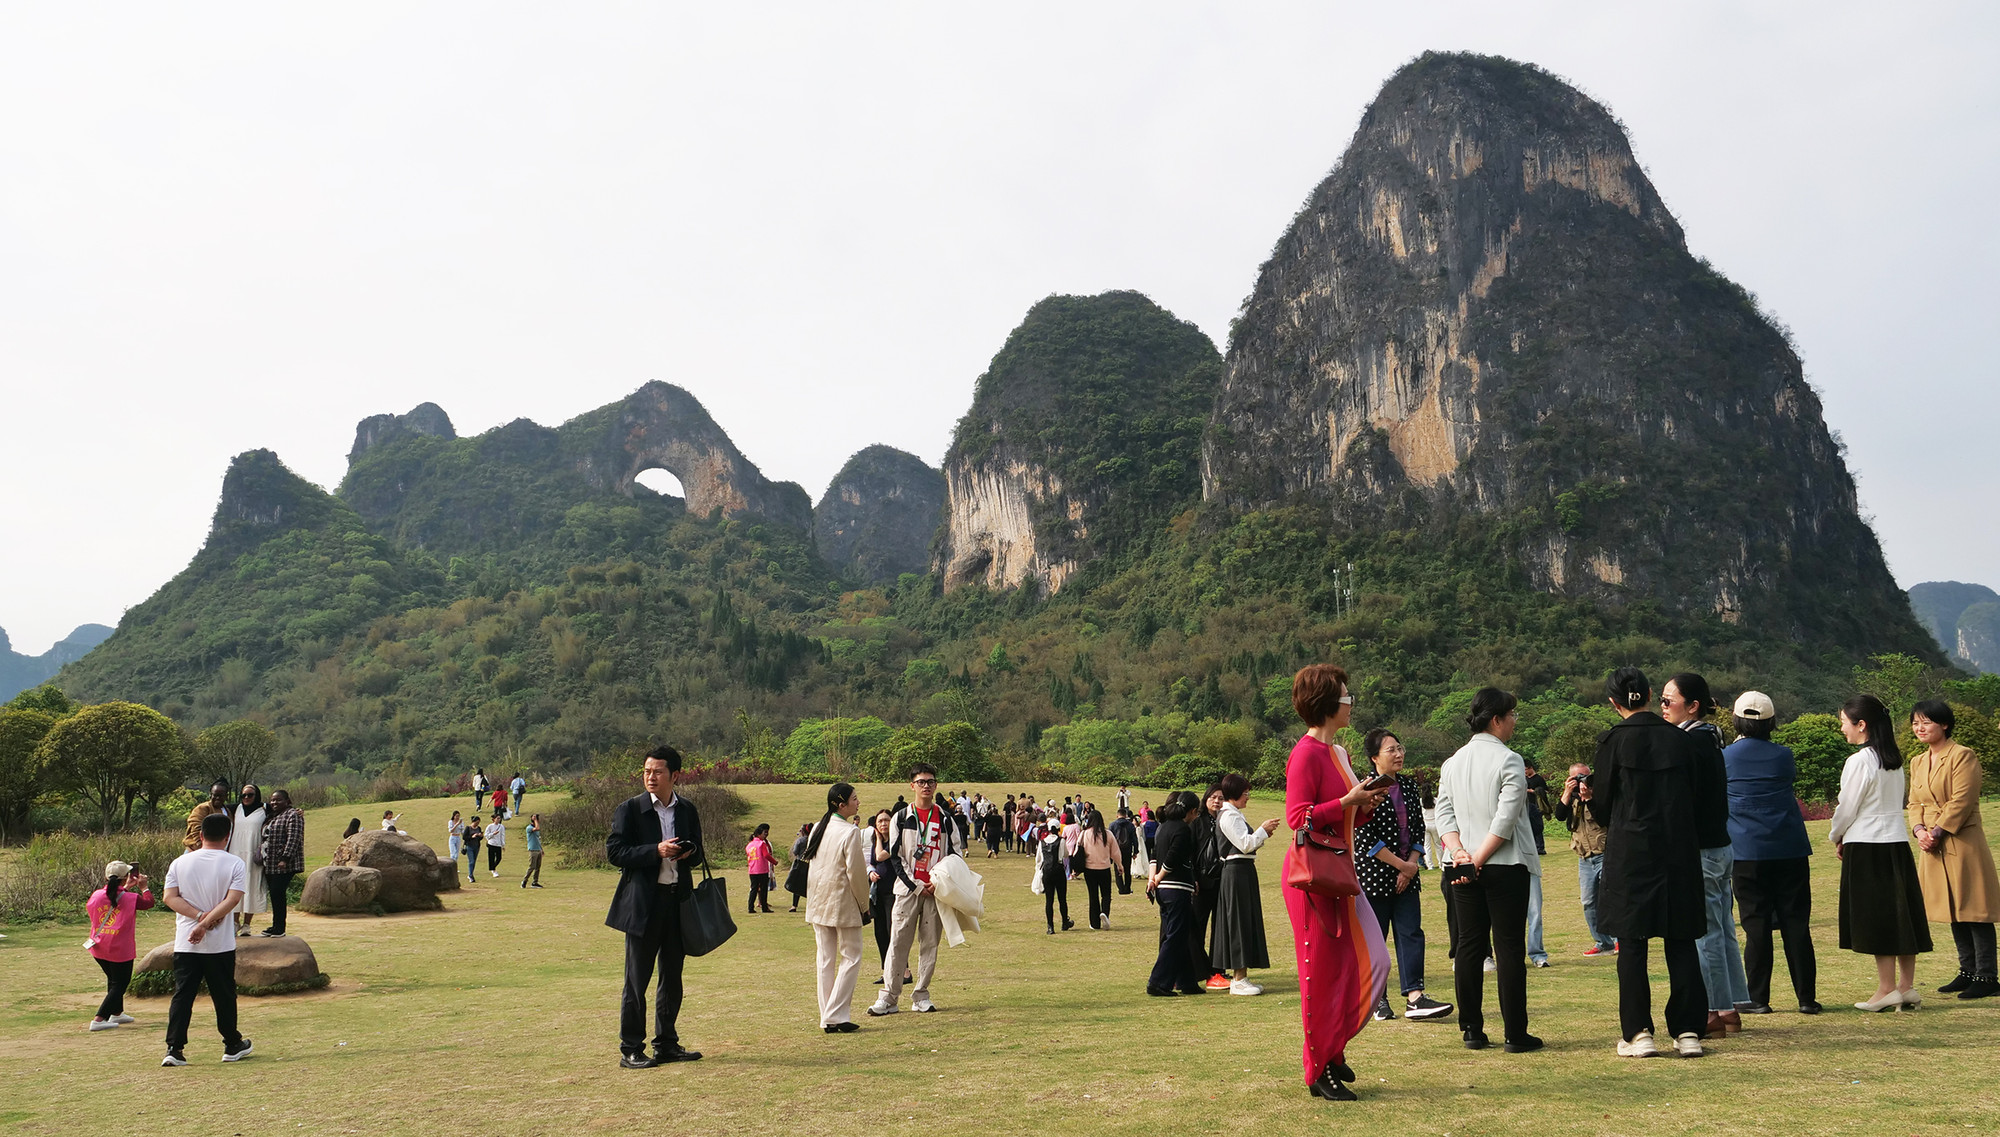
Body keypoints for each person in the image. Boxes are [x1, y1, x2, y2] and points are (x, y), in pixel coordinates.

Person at [1283, 666, 1391, 1101]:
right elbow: (1297, 818)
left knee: (1373, 964)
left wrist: (1363, 803)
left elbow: (1344, 814)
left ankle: (1333, 1048)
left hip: (1341, 876)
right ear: (1328, 703)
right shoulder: (1305, 754)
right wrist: (1346, 800)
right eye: (1347, 696)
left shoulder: (1341, 754)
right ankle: (1319, 1067)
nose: (1351, 702)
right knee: (1321, 976)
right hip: (1314, 881)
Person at [1588, 667, 1707, 1058]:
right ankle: (1688, 1031)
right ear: (1652, 694)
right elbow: (1698, 800)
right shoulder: (1682, 740)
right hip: (1678, 850)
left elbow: (1603, 810)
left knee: (1632, 943)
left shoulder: (1611, 742)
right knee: (1681, 941)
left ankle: (1639, 1033)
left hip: (1631, 853)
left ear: (1613, 702)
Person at [1435, 688, 1542, 1055]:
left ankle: (1472, 1029)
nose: (1514, 722)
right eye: (1512, 715)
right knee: (1509, 946)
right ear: (1497, 719)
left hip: (1462, 864)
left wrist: (1460, 853)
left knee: (1469, 945)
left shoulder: (1452, 762)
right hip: (1504, 864)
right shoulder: (1509, 760)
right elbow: (1506, 818)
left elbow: (1444, 815)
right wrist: (1478, 858)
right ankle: (1515, 1032)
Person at [1829, 694, 1933, 1009]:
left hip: (1866, 845)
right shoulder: (1893, 759)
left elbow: (1847, 807)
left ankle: (1887, 989)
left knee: (1878, 916)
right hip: (1896, 843)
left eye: (1845, 723)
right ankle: (1906, 986)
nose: (1843, 730)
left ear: (1862, 725)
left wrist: (1837, 835)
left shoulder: (1859, 761)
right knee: (1902, 913)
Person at [605, 744, 705, 1068]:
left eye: (657, 771)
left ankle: (667, 1044)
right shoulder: (630, 809)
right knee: (637, 981)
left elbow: (701, 852)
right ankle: (631, 1048)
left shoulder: (686, 810)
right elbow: (615, 852)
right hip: (643, 906)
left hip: (678, 901)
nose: (650, 776)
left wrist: (689, 852)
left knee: (672, 977)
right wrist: (655, 851)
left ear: (675, 775)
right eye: (647, 771)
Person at [1662, 672, 1749, 1036]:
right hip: (1720, 845)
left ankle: (1715, 1008)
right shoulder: (1711, 739)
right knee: (1723, 928)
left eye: (1669, 701)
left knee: (1706, 932)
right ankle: (1731, 1005)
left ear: (1692, 705)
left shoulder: (1689, 744)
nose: (1662, 707)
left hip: (1701, 849)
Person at [1723, 691, 1818, 1013]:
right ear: (1772, 722)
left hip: (1747, 850)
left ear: (1736, 720)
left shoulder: (1725, 757)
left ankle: (1759, 998)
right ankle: (1806, 999)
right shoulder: (1783, 756)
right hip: (1789, 847)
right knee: (1796, 923)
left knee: (1756, 925)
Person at [1355, 729, 1452, 1022]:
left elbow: (1417, 829)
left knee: (1411, 933)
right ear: (1374, 758)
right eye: (1391, 750)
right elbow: (1364, 836)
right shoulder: (1365, 788)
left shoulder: (1409, 786)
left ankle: (1415, 997)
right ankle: (1377, 999)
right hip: (1375, 873)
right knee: (1376, 938)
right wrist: (1401, 865)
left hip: (1408, 873)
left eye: (1400, 748)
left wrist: (1411, 865)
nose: (1399, 754)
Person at [1908, 699, 2000, 999]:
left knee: (1975, 908)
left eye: (1926, 722)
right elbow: (1914, 803)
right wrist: (1919, 830)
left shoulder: (1963, 756)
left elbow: (1962, 799)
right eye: (1915, 723)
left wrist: (1936, 831)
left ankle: (1987, 976)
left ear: (1944, 724)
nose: (1920, 728)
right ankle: (1967, 971)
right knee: (1952, 908)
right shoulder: (1918, 761)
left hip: (1962, 840)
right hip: (1932, 845)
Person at [867, 764, 964, 1017]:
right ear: (912, 785)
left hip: (936, 891)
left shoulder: (945, 818)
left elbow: (955, 854)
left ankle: (921, 994)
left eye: (931, 782)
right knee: (897, 943)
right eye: (921, 782)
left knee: (929, 944)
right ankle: (889, 997)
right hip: (908, 890)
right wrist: (917, 885)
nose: (926, 786)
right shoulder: (901, 817)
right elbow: (896, 857)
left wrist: (937, 883)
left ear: (936, 785)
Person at [160, 811, 251, 1066]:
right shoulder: (234, 863)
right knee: (223, 995)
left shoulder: (180, 862)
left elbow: (170, 898)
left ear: (200, 835)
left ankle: (174, 1048)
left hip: (186, 942)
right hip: (219, 944)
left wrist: (199, 918)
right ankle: (232, 1044)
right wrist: (207, 921)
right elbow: (233, 900)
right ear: (228, 836)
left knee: (183, 995)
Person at [803, 783, 871, 1032]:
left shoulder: (818, 829)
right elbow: (856, 873)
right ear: (841, 805)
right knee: (851, 956)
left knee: (825, 959)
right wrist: (865, 905)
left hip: (819, 902)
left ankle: (828, 1016)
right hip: (842, 902)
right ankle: (834, 1015)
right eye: (854, 799)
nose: (858, 802)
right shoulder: (850, 832)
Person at [1209, 774, 1277, 994]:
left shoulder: (1234, 814)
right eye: (1245, 793)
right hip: (1236, 871)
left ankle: (1242, 976)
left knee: (1245, 921)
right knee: (1238, 922)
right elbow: (1245, 844)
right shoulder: (1229, 816)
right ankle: (1238, 979)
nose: (1248, 797)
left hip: (1243, 871)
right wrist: (1262, 831)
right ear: (1235, 794)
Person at [1552, 762, 1617, 957]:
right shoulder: (1570, 798)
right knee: (1589, 902)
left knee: (1610, 899)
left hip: (1605, 853)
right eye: (1578, 777)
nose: (1584, 781)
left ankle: (1618, 940)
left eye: (1587, 776)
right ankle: (1602, 942)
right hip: (1584, 858)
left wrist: (1589, 798)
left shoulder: (1601, 795)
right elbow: (1559, 816)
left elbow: (1604, 819)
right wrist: (1567, 792)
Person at [1145, 793, 1205, 996]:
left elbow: (1154, 856)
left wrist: (1153, 880)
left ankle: (1186, 981)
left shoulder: (1163, 826)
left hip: (1165, 890)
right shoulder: (1182, 829)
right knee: (1176, 937)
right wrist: (1160, 877)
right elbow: (1172, 857)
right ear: (1192, 811)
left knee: (1179, 935)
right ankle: (1158, 982)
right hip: (1175, 888)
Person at [85, 860, 153, 1031]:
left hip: (99, 945)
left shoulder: (97, 895)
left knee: (113, 979)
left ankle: (117, 1012)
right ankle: (99, 1019)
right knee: (120, 983)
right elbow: (148, 902)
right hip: (120, 948)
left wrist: (126, 888)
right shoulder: (131, 898)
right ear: (125, 878)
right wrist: (144, 887)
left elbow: (114, 899)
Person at [1194, 786, 1230, 991]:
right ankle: (1201, 967)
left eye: (1221, 798)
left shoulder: (1226, 820)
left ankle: (1218, 968)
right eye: (1213, 797)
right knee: (1198, 925)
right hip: (1202, 880)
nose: (1216, 801)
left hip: (1222, 879)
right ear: (1206, 798)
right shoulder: (1197, 822)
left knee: (1220, 925)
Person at [225, 784, 269, 936]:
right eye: (244, 795)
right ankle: (235, 922)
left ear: (256, 795)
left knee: (252, 886)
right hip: (235, 853)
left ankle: (247, 925)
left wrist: (298, 812)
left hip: (253, 855)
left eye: (250, 795)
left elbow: (284, 810)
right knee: (236, 886)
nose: (246, 798)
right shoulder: (234, 809)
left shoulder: (265, 809)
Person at [259, 789, 304, 936]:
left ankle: (280, 928)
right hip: (270, 863)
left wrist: (285, 858)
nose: (274, 802)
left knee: (278, 893)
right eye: (272, 800)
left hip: (284, 864)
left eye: (278, 800)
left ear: (287, 801)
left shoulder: (293, 815)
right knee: (275, 895)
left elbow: (294, 838)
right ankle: (275, 925)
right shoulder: (273, 816)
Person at [1037, 813, 1073, 934]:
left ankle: (1050, 927)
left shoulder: (1042, 842)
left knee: (1049, 900)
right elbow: (1065, 854)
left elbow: (1039, 859)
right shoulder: (1061, 841)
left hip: (1047, 871)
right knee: (1062, 899)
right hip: (1058, 870)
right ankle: (1064, 922)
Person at [183, 781, 231, 851]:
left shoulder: (227, 811)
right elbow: (196, 827)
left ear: (226, 796)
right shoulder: (203, 808)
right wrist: (202, 848)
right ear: (210, 795)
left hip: (218, 851)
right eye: (215, 795)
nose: (217, 798)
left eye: (220, 795)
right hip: (196, 851)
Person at [745, 824, 776, 914]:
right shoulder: (761, 844)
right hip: (762, 869)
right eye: (764, 833)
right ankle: (764, 907)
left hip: (752, 869)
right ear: (759, 834)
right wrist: (774, 862)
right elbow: (766, 855)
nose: (765, 835)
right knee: (763, 889)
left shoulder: (749, 845)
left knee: (753, 888)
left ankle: (750, 907)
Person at [1109, 808, 1139, 895]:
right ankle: (1127, 888)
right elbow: (1134, 839)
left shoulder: (1112, 825)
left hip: (1116, 850)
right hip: (1127, 849)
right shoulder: (1130, 825)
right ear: (1125, 815)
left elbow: (1110, 840)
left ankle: (1121, 889)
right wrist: (1135, 851)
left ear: (1117, 815)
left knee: (1117, 869)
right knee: (1127, 869)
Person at [785, 823, 812, 913]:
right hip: (811, 864)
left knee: (797, 885)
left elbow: (795, 851)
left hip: (800, 864)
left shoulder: (800, 840)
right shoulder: (812, 840)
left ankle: (794, 905)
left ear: (803, 831)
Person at [1523, 762, 1549, 857]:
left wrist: (1532, 791)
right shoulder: (1524, 779)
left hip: (1537, 805)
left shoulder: (1539, 779)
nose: (1524, 772)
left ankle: (1540, 848)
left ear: (1530, 768)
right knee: (1528, 827)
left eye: (1525, 769)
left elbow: (1545, 791)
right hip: (1527, 805)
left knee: (1537, 826)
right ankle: (1531, 847)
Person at [521, 814, 545, 888]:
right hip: (533, 850)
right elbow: (537, 828)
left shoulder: (535, 828)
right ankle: (524, 881)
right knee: (532, 866)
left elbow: (538, 839)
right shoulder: (529, 828)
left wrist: (541, 849)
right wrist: (535, 820)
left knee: (538, 867)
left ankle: (535, 882)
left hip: (538, 849)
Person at [484, 814, 506, 878]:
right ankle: (493, 870)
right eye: (497, 818)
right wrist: (493, 834)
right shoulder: (490, 826)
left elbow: (502, 836)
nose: (499, 819)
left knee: (499, 858)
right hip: (491, 844)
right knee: (491, 858)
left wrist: (503, 845)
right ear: (494, 819)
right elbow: (486, 835)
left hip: (498, 844)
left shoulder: (501, 826)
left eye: (499, 818)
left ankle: (492, 867)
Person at [461, 816, 482, 884]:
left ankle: (471, 873)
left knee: (474, 861)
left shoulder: (479, 828)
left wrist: (480, 836)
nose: (477, 824)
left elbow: (480, 839)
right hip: (469, 846)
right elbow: (464, 837)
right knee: (471, 861)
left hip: (476, 846)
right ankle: (470, 875)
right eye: (476, 822)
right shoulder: (468, 828)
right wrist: (472, 837)